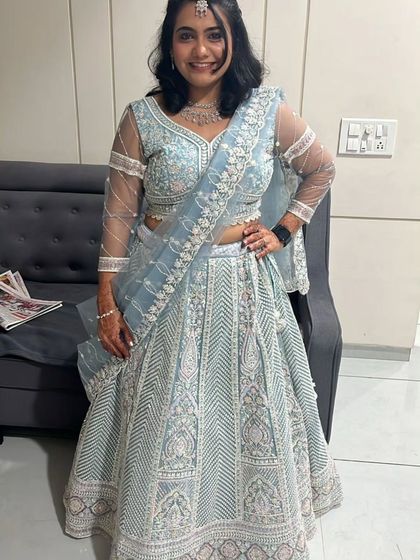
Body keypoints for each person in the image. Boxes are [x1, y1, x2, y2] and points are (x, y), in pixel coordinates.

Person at [63, 1, 343, 558]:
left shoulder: (265, 112)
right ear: (169, 45)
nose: (201, 50)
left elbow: (321, 168)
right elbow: (118, 216)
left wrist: (283, 230)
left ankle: (252, 522)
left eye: (214, 35)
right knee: (164, 411)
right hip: (164, 290)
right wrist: (107, 303)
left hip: (242, 289)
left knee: (249, 408)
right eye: (186, 35)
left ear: (234, 40)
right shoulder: (142, 118)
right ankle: (159, 528)